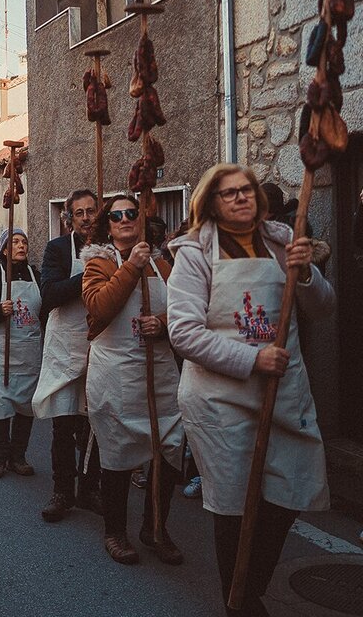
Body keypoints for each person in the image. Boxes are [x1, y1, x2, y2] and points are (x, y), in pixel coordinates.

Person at [167, 163, 335, 616]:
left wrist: (306, 273)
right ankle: (239, 601)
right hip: (219, 399)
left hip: (283, 391)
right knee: (236, 505)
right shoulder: (195, 253)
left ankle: (250, 584)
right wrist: (251, 359)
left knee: (291, 488)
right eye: (229, 193)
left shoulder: (283, 243)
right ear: (211, 203)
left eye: (247, 190)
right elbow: (183, 332)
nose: (241, 197)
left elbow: (323, 308)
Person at [82, 194, 184, 566]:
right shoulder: (98, 264)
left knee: (169, 449)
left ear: (141, 220)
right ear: (107, 226)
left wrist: (164, 324)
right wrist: (131, 267)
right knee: (118, 454)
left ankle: (155, 528)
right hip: (116, 375)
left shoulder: (163, 265)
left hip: (159, 373)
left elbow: (187, 311)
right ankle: (115, 531)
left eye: (132, 213)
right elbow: (99, 308)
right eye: (117, 215)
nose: (125, 219)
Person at [33, 189, 102, 522]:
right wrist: (88, 276)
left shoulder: (109, 247)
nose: (87, 218)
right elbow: (49, 294)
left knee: (95, 424)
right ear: (69, 219)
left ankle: (89, 489)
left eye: (91, 211)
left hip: (99, 344)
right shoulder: (58, 249)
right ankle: (62, 491)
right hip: (64, 346)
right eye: (80, 213)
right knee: (64, 424)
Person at [0, 229, 42, 478]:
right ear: (4, 250)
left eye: (24, 242)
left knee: (25, 408)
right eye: (15, 242)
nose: (21, 246)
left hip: (29, 352)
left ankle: (18, 456)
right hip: (0, 354)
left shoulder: (36, 276)